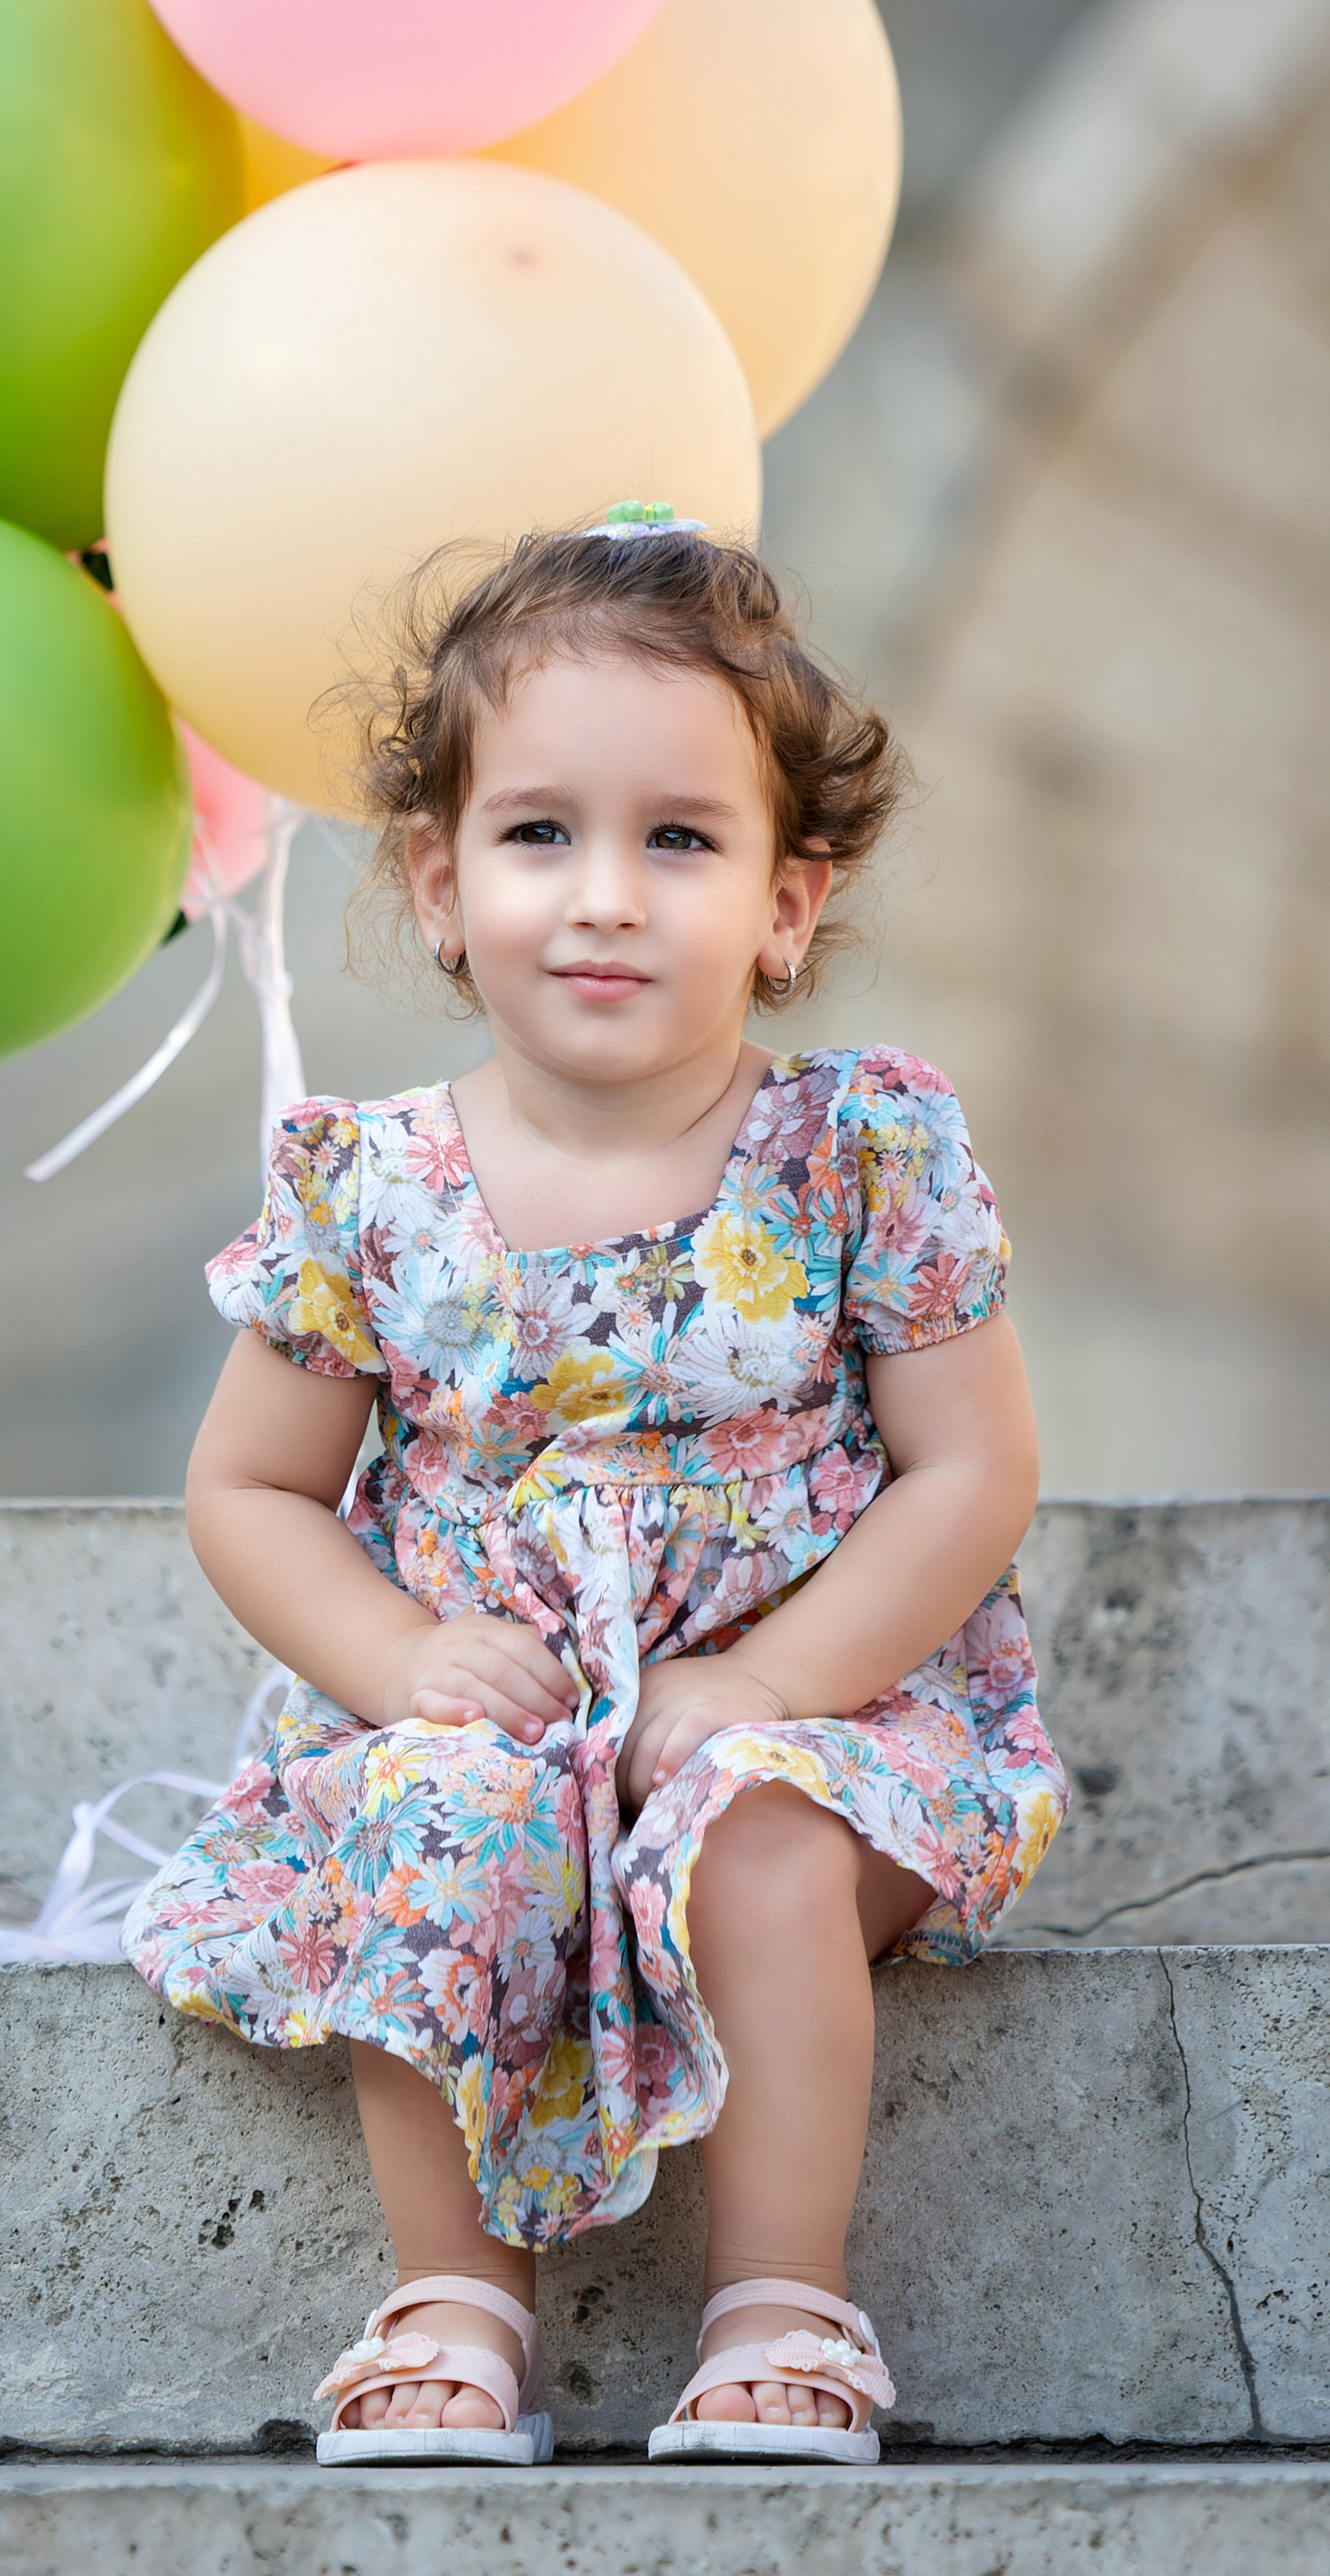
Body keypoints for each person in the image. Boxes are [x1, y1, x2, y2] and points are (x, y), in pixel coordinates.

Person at [125, 517, 1065, 2467]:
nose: (603, 898)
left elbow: (971, 1464)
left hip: (823, 1724)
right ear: (438, 883)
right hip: (509, 1714)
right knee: (439, 1816)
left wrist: (774, 1682)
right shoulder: (368, 1188)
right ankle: (451, 2303)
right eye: (539, 833)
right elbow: (248, 1488)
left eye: (679, 840)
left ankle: (779, 2307)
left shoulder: (855, 1147)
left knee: (754, 1836)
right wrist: (398, 1660)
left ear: (785, 905)